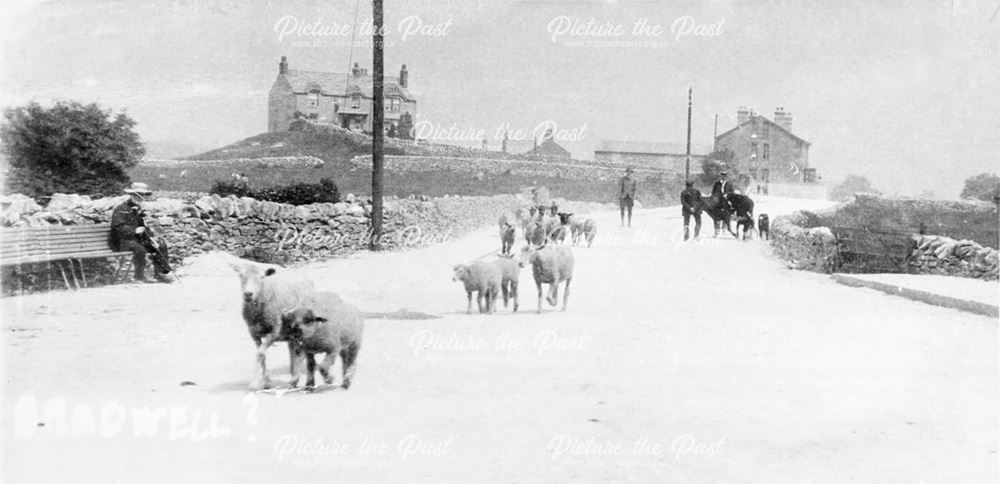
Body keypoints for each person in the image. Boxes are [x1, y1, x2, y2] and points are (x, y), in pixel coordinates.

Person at [110, 182, 174, 283]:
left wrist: (152, 237)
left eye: (142, 195)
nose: (140, 197)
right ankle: (138, 277)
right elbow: (117, 228)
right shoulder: (121, 209)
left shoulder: (138, 209)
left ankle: (161, 273)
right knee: (140, 249)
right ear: (131, 195)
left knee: (160, 244)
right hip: (122, 240)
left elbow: (143, 226)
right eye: (137, 195)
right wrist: (134, 230)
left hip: (135, 239)